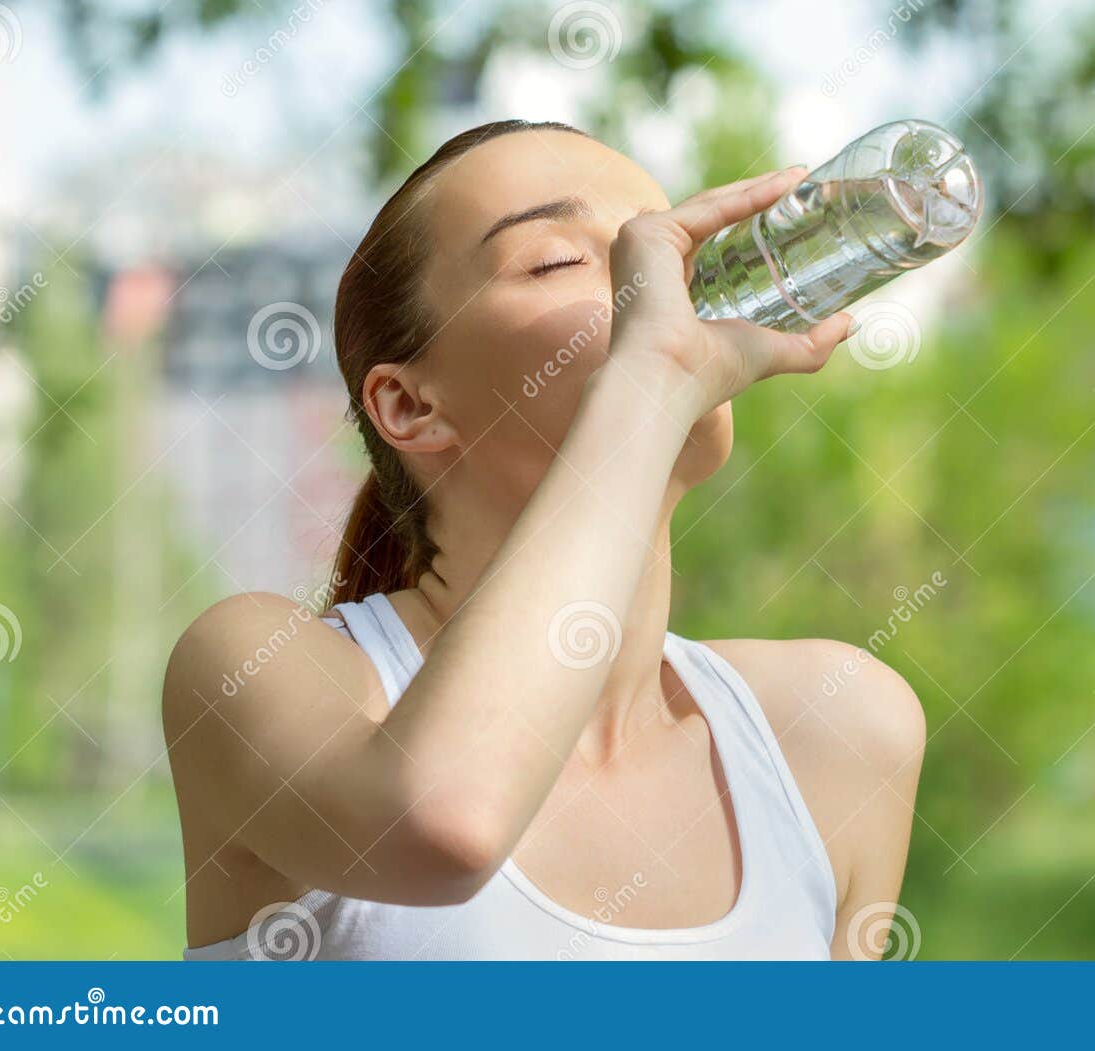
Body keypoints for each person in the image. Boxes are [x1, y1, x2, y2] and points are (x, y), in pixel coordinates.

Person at [163, 120, 925, 959]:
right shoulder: (259, 667)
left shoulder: (836, 726)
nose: (663, 284)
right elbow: (439, 824)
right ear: (411, 405)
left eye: (660, 246)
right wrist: (652, 376)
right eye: (559, 259)